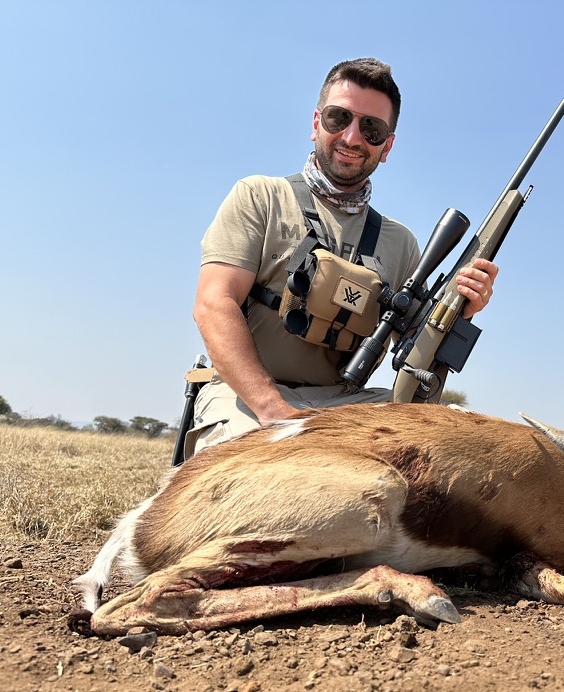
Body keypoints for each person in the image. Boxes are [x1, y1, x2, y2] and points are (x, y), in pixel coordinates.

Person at [184, 57, 498, 458]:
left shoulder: (401, 243)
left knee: (453, 444)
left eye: (372, 128)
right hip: (246, 396)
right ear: (317, 123)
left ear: (387, 146)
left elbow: (421, 357)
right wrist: (274, 411)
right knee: (256, 475)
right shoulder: (259, 196)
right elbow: (213, 304)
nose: (352, 137)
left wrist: (463, 310)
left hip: (347, 404)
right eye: (339, 118)